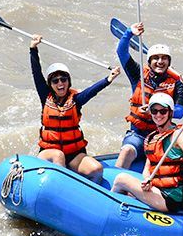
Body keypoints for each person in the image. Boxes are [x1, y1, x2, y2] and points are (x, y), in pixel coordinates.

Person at [29, 35, 121, 182]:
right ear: (50, 85)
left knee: (96, 170)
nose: (60, 83)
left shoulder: (76, 100)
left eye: (63, 79)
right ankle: (61, 183)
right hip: (49, 152)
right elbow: (36, 74)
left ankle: (82, 192)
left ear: (68, 81)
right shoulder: (45, 96)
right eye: (55, 80)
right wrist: (33, 48)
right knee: (58, 156)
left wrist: (108, 79)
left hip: (73, 153)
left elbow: (91, 91)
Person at [111, 93, 183, 213]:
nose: (158, 115)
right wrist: (147, 181)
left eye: (163, 111)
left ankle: (110, 212)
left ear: (170, 113)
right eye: (154, 111)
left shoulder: (177, 135)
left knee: (121, 179)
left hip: (171, 199)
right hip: (157, 190)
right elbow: (148, 167)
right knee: (129, 192)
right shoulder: (153, 137)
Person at [114, 22, 183, 169]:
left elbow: (180, 112)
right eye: (156, 58)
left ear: (169, 62)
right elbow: (122, 53)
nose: (160, 61)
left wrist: (156, 108)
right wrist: (129, 33)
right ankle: (116, 187)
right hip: (138, 134)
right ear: (149, 61)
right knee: (127, 150)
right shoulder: (138, 74)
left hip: (162, 134)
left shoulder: (176, 83)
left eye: (164, 58)